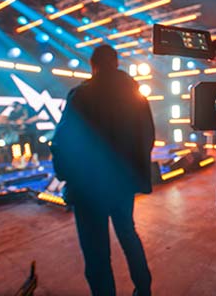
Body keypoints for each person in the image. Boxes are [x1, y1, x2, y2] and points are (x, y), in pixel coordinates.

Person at [51, 45, 155, 296]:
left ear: (93, 65)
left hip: (88, 188)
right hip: (123, 184)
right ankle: (144, 290)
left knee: (96, 254)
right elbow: (148, 136)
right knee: (128, 236)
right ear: (116, 63)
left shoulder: (81, 95)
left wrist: (66, 176)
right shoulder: (136, 95)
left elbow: (63, 141)